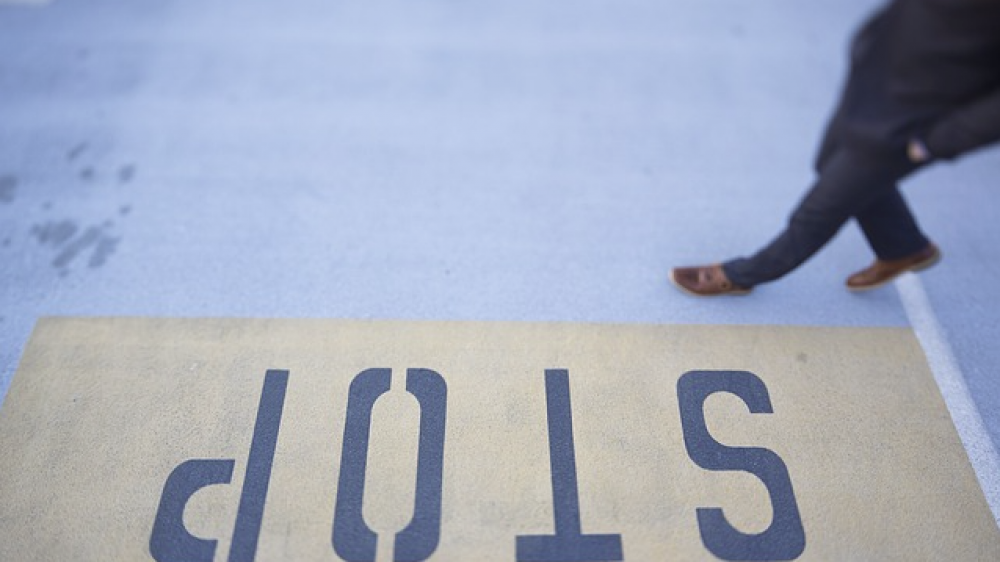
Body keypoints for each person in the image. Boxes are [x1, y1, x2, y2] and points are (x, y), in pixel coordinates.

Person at [671, 0, 1000, 296]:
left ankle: (742, 274)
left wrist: (935, 142)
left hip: (911, 124)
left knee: (817, 212)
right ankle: (904, 248)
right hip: (872, 85)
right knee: (828, 163)